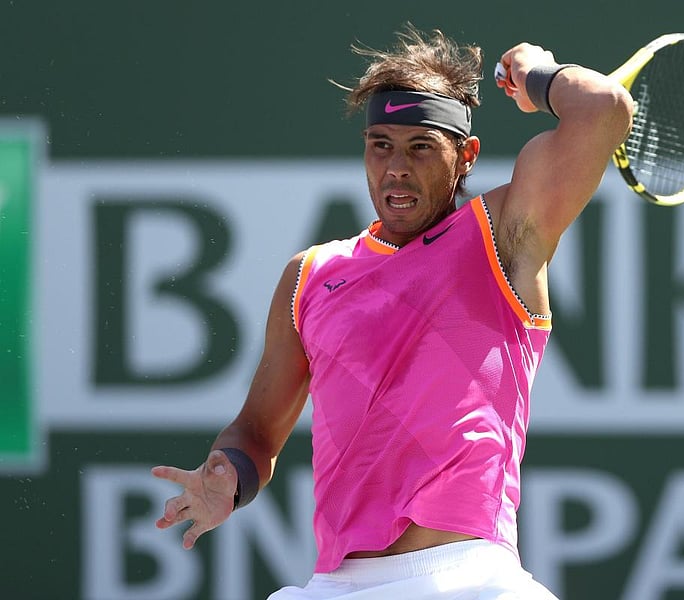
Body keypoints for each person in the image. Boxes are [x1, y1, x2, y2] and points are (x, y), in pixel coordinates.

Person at [152, 24, 633, 599]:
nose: (396, 168)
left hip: (471, 580)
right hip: (337, 585)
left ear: (466, 155)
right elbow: (257, 430)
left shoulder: (503, 239)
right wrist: (228, 474)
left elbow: (603, 108)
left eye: (420, 147)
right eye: (381, 144)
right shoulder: (310, 275)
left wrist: (535, 72)